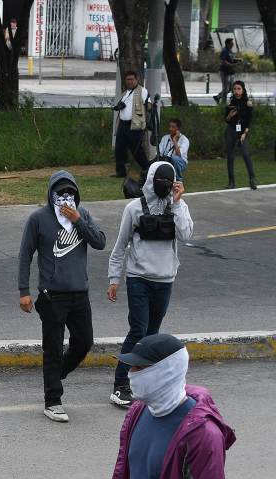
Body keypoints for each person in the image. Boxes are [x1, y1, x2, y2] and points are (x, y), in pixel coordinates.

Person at [96, 334, 235, 479]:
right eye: (131, 367)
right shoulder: (137, 412)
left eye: (140, 367)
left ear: (167, 370)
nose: (132, 374)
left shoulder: (202, 436)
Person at [18, 171, 106, 423]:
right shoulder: (38, 219)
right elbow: (25, 254)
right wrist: (24, 291)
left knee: (84, 341)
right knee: (53, 348)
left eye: (70, 194)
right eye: (61, 194)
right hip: (52, 295)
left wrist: (79, 220)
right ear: (51, 195)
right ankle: (53, 400)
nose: (66, 199)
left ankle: (57, 375)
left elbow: (100, 242)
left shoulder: (83, 215)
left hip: (80, 293)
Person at [107, 161, 193, 408]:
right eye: (161, 180)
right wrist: (114, 278)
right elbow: (121, 245)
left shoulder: (175, 206)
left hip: (165, 280)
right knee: (138, 330)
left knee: (152, 335)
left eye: (169, 181)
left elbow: (186, 234)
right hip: (139, 279)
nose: (165, 185)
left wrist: (178, 202)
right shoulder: (134, 208)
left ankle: (146, 383)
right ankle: (121, 384)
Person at [112, 70, 149, 179]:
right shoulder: (125, 93)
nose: (130, 82)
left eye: (132, 79)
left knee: (136, 149)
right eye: (128, 79)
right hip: (123, 124)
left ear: (136, 79)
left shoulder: (142, 91)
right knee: (119, 148)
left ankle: (147, 168)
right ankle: (120, 171)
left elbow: (149, 105)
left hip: (135, 125)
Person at [224, 80, 257, 190]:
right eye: (234, 89)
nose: (237, 91)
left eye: (239, 89)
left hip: (243, 132)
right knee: (230, 157)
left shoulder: (248, 103)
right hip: (231, 131)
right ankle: (231, 182)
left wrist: (244, 133)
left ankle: (252, 179)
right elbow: (226, 120)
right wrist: (229, 115)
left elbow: (249, 120)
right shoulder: (230, 103)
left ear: (243, 90)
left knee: (245, 154)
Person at [216, 38, 239, 104]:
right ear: (227, 44)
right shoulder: (224, 51)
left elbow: (230, 59)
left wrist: (237, 61)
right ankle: (223, 103)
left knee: (231, 88)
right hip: (224, 72)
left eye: (233, 44)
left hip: (230, 71)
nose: (232, 45)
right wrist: (231, 65)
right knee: (225, 88)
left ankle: (218, 97)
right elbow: (223, 61)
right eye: (231, 43)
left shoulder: (230, 51)